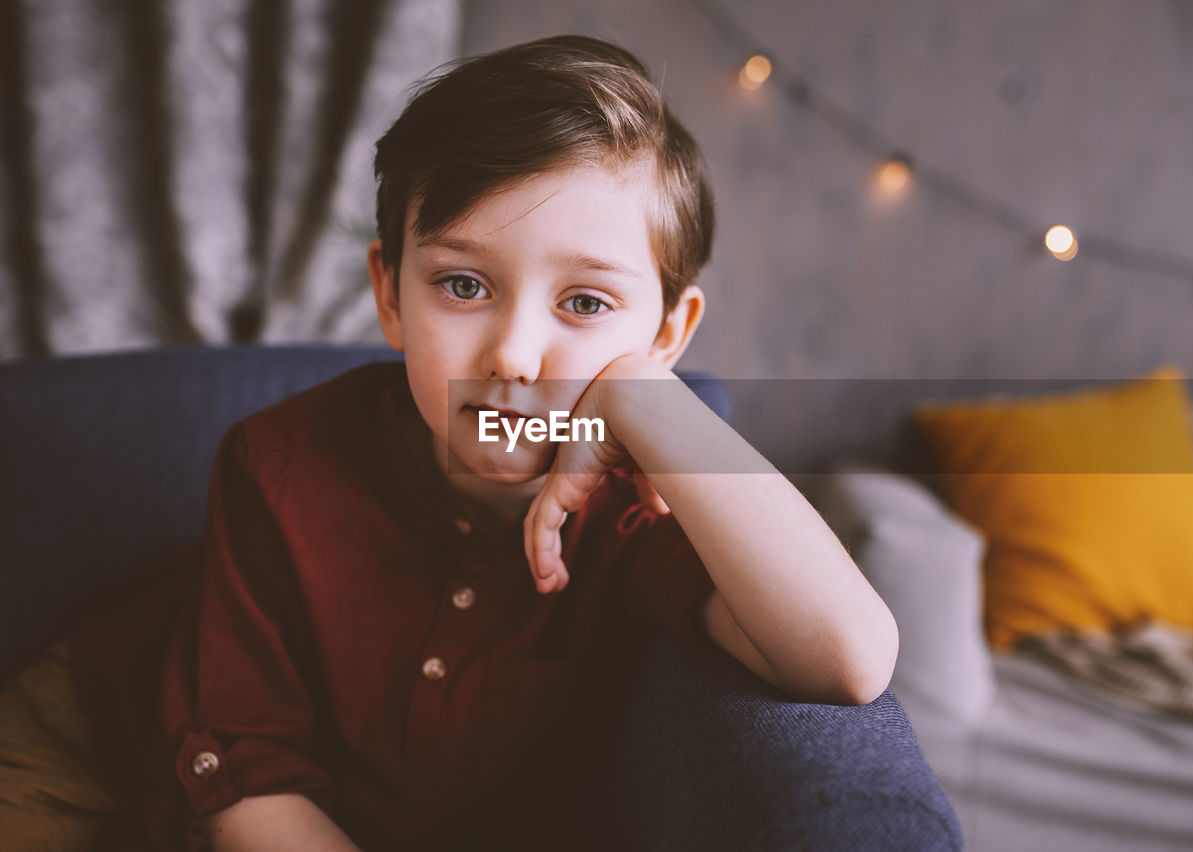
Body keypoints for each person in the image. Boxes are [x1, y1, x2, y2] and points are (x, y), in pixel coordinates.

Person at [151, 34, 899, 851]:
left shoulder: (636, 507)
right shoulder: (277, 470)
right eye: (463, 285)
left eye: (584, 303)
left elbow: (849, 659)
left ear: (669, 332)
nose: (512, 354)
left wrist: (642, 394)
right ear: (391, 295)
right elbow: (248, 772)